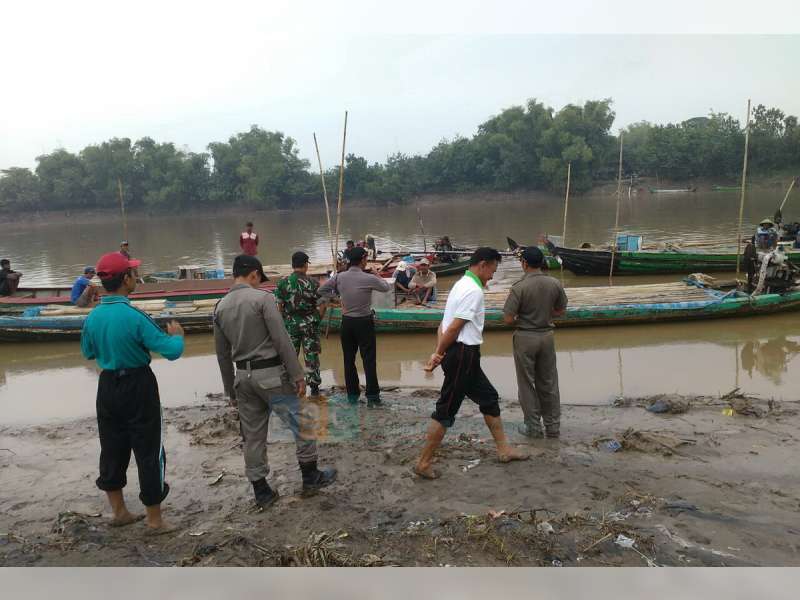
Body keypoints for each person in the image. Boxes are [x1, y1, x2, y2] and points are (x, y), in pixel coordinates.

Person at [214, 255, 336, 508]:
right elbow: (281, 340)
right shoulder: (262, 299)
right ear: (254, 275)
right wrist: (298, 375)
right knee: (303, 422)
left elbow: (222, 354)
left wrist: (230, 390)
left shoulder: (220, 306)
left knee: (253, 436)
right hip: (271, 376)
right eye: (259, 279)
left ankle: (261, 491)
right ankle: (310, 476)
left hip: (242, 378)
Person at [80, 252, 185, 532]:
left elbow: (88, 351)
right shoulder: (135, 316)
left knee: (112, 448)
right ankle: (154, 520)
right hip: (138, 385)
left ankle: (120, 512)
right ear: (125, 279)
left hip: (107, 386)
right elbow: (171, 352)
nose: (136, 277)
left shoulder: (93, 317)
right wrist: (178, 336)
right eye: (133, 274)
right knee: (148, 449)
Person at [414, 248, 527, 479]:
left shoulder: (460, 284)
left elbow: (442, 325)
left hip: (464, 353)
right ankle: (423, 463)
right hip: (463, 354)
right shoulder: (473, 291)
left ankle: (504, 450)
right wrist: (439, 353)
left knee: (488, 397)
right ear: (483, 264)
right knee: (446, 409)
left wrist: (439, 353)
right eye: (493, 270)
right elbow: (453, 328)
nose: (493, 276)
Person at [502, 246, 568, 439]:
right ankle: (553, 427)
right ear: (541, 263)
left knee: (527, 384)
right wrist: (545, 314)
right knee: (549, 382)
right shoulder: (554, 283)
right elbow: (561, 310)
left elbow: (507, 318)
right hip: (547, 336)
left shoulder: (519, 287)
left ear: (524, 263)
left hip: (526, 337)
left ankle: (533, 427)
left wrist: (524, 319)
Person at [319, 246, 392, 404]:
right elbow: (386, 288)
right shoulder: (369, 278)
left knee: (348, 359)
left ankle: (352, 393)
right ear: (363, 260)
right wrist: (376, 273)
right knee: (369, 359)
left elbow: (321, 290)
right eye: (366, 259)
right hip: (364, 321)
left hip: (347, 323)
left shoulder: (339, 277)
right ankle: (372, 394)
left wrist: (338, 297)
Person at [274, 251, 327, 397]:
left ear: (293, 265)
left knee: (290, 355)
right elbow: (323, 305)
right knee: (311, 355)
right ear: (305, 265)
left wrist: (283, 321)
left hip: (290, 324)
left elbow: (278, 306)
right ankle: (314, 388)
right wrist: (317, 319)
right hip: (310, 323)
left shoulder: (283, 283)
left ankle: (289, 386)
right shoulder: (314, 283)